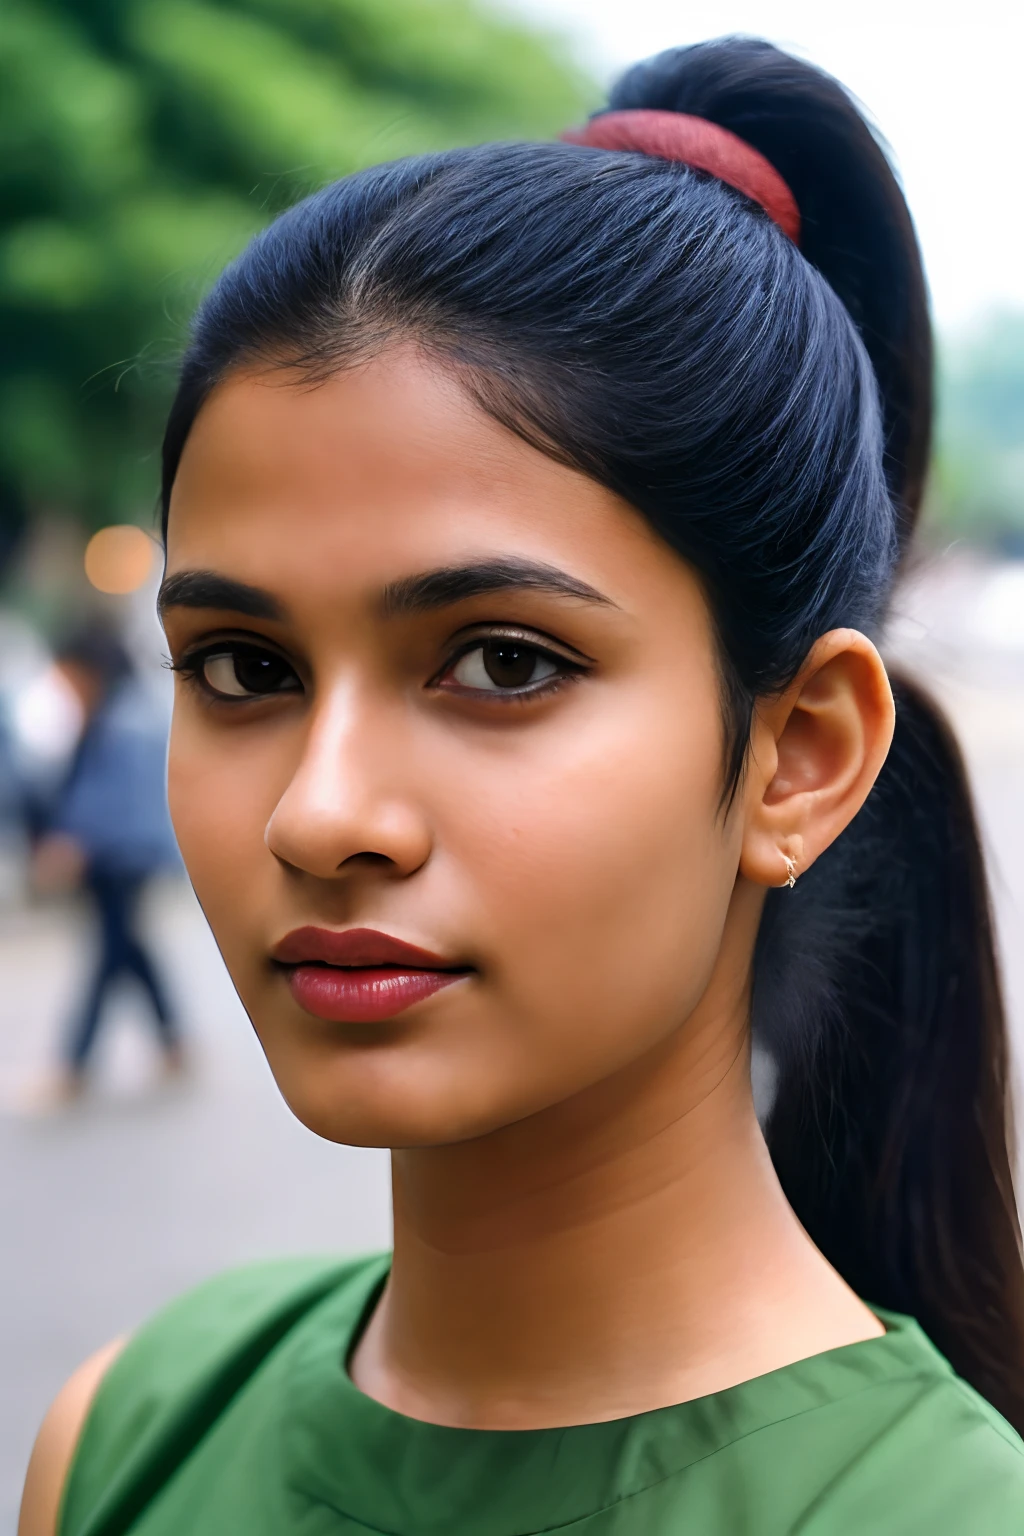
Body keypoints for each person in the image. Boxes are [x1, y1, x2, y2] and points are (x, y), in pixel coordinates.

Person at [19, 36, 1024, 1535]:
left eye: (500, 664)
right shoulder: (130, 1434)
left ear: (798, 757)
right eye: (242, 669)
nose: (322, 813)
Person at [27, 623, 183, 1102]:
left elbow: (114, 800)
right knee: (130, 950)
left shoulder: (125, 721)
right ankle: (174, 1042)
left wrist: (72, 842)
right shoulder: (113, 713)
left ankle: (72, 1066)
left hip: (123, 858)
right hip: (115, 857)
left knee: (109, 956)